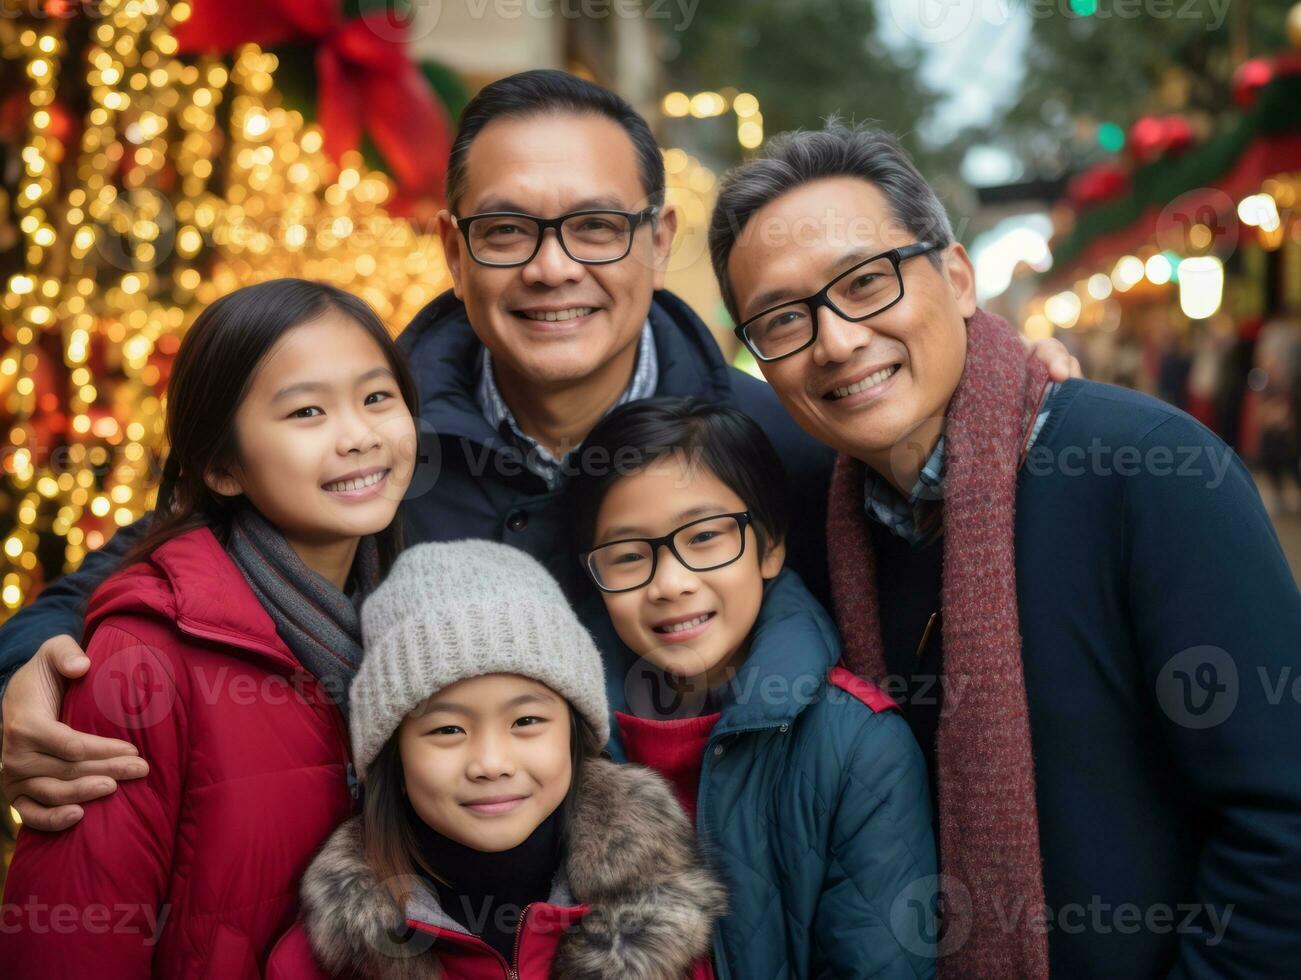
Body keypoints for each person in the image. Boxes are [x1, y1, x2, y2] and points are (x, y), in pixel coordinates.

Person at [0, 70, 1077, 833]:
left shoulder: (786, 445)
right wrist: (25, 660)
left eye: (597, 228)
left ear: (656, 241)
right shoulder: (372, 447)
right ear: (454, 252)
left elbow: (940, 549)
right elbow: (155, 565)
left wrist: (1000, 390)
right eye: (507, 232)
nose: (552, 269)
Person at [706, 120, 1301, 977]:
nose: (834, 340)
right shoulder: (811, 533)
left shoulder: (1142, 472)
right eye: (781, 319)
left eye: (866, 283)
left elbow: (1280, 822)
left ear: (954, 276)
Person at [0, 279, 420, 976]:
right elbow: (71, 944)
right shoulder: (140, 660)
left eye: (377, 397)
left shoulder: (419, 621)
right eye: (307, 411)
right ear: (222, 467)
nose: (359, 436)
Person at [569, 398, 937, 979]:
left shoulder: (858, 748)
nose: (670, 583)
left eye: (706, 537)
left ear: (769, 546)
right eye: (628, 555)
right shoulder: (559, 741)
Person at [264, 541, 723, 979]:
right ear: (394, 758)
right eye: (447, 729)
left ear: (573, 736)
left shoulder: (662, 928)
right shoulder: (319, 964)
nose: (490, 762)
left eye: (526, 721)